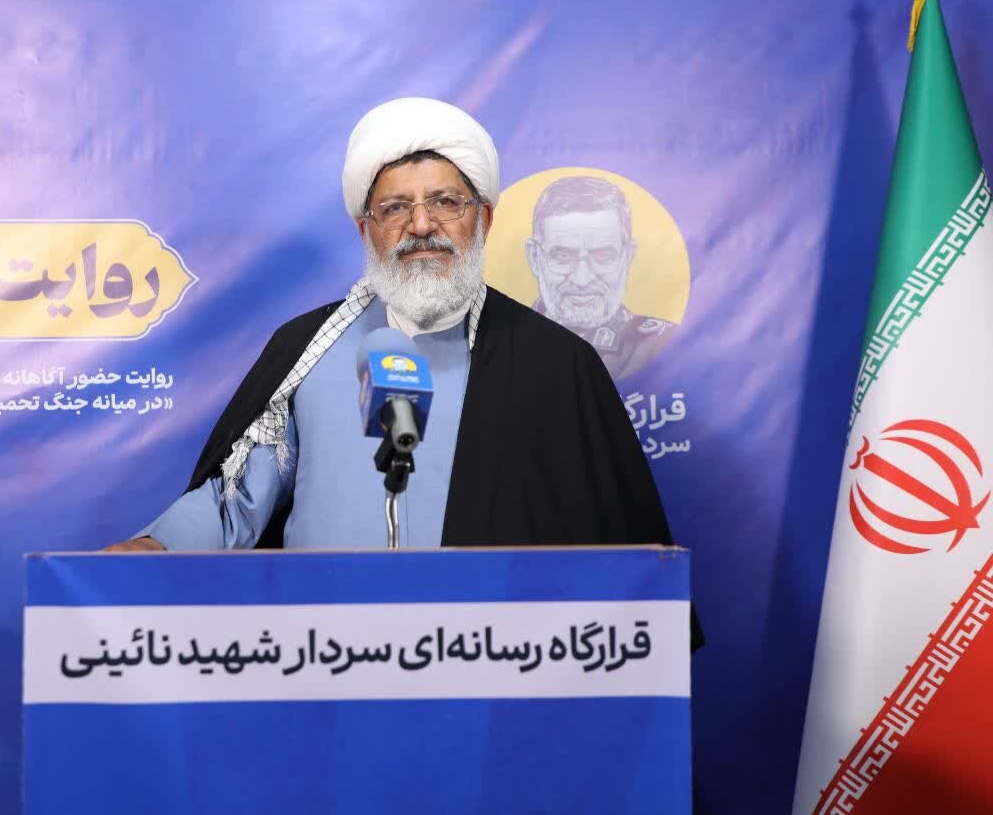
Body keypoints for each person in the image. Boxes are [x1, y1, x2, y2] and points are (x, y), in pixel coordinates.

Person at [106, 98, 688, 575]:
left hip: (492, 654)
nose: (422, 225)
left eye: (445, 202)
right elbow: (238, 502)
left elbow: (616, 550)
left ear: (484, 220)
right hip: (328, 649)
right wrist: (159, 545)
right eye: (394, 208)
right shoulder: (309, 348)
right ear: (366, 230)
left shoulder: (554, 362)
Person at [526, 176, 677, 380]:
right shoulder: (497, 340)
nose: (582, 280)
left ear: (627, 257)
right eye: (562, 257)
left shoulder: (667, 345)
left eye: (603, 257)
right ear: (534, 258)